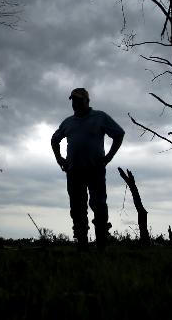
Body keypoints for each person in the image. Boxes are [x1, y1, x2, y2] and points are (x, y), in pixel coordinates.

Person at [51, 87, 125, 251]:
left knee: (99, 205)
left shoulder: (100, 117)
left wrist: (109, 157)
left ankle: (101, 245)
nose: (75, 104)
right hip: (73, 171)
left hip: (95, 171)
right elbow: (54, 140)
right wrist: (59, 159)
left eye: (79, 100)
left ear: (87, 101)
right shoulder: (68, 122)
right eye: (73, 100)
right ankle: (82, 245)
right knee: (77, 208)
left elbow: (119, 134)